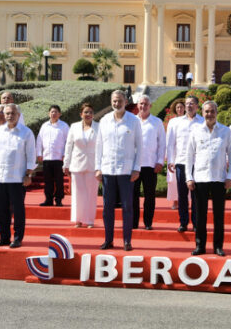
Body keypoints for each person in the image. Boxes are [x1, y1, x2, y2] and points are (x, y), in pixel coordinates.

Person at [185, 100, 231, 256]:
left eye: (212, 111)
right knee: (200, 216)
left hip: (219, 179)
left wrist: (230, 176)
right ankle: (200, 246)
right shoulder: (195, 131)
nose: (209, 114)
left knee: (218, 216)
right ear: (203, 112)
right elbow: (189, 156)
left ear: (216, 112)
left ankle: (218, 246)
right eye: (206, 111)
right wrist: (189, 177)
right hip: (200, 178)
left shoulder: (225, 131)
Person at [95, 90, 144, 251]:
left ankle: (127, 241)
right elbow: (99, 146)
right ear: (111, 101)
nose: (117, 104)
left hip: (126, 170)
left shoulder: (133, 121)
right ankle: (108, 239)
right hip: (108, 169)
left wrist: (137, 168)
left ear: (126, 101)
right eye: (114, 101)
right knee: (107, 207)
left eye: (120, 101)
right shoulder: (104, 120)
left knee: (127, 207)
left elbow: (140, 146)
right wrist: (98, 168)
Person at [0, 104, 36, 248]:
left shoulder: (26, 133)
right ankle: (4, 238)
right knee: (1, 210)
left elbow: (31, 155)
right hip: (0, 178)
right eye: (7, 113)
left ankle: (18, 238)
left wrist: (28, 174)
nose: (9, 116)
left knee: (18, 210)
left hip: (17, 178)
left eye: (13, 113)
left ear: (18, 115)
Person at [166, 95, 203, 232]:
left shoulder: (203, 122)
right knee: (182, 195)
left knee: (196, 196)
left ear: (197, 106)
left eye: (192, 103)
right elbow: (170, 143)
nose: (189, 106)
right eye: (187, 103)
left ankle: (196, 222)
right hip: (181, 162)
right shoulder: (176, 122)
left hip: (198, 163)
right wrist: (170, 160)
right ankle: (183, 222)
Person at [63, 103, 99, 228]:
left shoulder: (98, 127)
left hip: (93, 165)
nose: (88, 114)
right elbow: (68, 146)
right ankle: (78, 219)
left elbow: (102, 147)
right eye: (86, 112)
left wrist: (100, 166)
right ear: (81, 114)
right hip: (76, 163)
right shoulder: (74, 127)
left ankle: (90, 220)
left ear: (93, 114)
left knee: (91, 193)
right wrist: (66, 163)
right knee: (78, 193)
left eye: (90, 112)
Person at [135, 94, 166, 230]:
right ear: (137, 105)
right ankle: (133, 222)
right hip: (134, 166)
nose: (143, 106)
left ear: (150, 106)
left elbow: (162, 143)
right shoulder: (131, 121)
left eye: (146, 104)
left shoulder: (157, 122)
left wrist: (160, 161)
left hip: (150, 164)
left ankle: (148, 222)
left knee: (149, 196)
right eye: (141, 103)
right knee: (132, 196)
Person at [36, 105, 70, 207]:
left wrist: (65, 154)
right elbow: (39, 140)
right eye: (52, 112)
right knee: (48, 181)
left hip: (59, 158)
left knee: (59, 181)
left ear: (59, 114)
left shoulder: (64, 126)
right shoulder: (44, 126)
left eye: (56, 112)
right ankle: (48, 199)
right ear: (48, 113)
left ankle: (59, 199)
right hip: (47, 158)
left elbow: (68, 142)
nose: (53, 114)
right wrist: (39, 153)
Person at [165, 100, 186, 209]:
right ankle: (175, 201)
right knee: (174, 180)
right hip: (174, 152)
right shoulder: (172, 122)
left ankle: (186, 201)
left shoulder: (189, 120)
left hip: (185, 153)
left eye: (181, 107)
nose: (179, 109)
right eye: (177, 107)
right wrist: (169, 157)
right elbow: (168, 139)